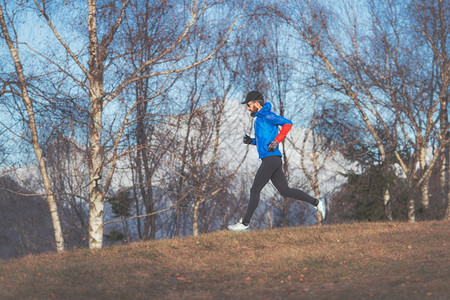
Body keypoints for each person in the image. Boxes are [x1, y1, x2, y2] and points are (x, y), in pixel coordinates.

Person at [227, 91, 326, 232]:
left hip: (271, 159)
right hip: (272, 159)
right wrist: (252, 141)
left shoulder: (267, 115)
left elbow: (288, 124)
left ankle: (244, 224)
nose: (248, 108)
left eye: (249, 105)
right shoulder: (259, 119)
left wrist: (277, 141)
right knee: (285, 191)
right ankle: (317, 202)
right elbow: (264, 141)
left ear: (256, 103)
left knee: (255, 190)